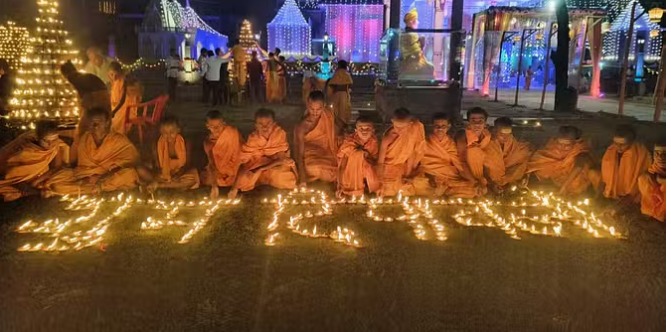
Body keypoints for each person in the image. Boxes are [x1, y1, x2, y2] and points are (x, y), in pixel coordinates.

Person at [43, 107, 139, 197]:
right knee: (56, 180)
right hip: (84, 174)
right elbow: (81, 167)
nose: (95, 126)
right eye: (92, 123)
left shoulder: (118, 139)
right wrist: (85, 178)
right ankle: (91, 189)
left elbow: (129, 163)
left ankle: (93, 188)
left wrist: (99, 177)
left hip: (107, 176)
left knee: (129, 174)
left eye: (99, 122)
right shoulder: (85, 138)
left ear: (107, 122)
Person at [228, 109, 297, 198]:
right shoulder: (253, 139)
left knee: (284, 179)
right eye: (260, 124)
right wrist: (234, 188)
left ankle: (264, 179)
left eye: (268, 123)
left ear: (274, 123)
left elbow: (281, 159)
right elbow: (244, 163)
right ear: (256, 125)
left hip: (274, 165)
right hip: (257, 164)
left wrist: (261, 168)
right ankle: (260, 180)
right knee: (244, 181)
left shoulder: (279, 134)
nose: (265, 127)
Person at [0, 120, 68, 201]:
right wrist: (38, 192)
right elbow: (16, 182)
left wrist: (37, 181)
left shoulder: (56, 144)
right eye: (46, 141)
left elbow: (57, 168)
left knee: (65, 177)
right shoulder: (25, 152)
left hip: (36, 178)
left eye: (54, 140)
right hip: (12, 181)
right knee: (11, 192)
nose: (51, 144)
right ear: (37, 138)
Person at [527, 126, 600, 196]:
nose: (562, 148)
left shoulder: (580, 150)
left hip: (578, 179)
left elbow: (579, 167)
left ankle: (598, 197)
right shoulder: (552, 149)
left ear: (575, 143)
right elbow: (539, 162)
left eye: (567, 145)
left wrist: (564, 187)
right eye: (560, 144)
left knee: (593, 173)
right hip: (561, 180)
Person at [60, 60, 111, 163]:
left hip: (95, 102)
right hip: (104, 101)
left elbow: (85, 100)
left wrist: (83, 112)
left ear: (66, 73)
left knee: (82, 131)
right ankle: (99, 157)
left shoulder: (74, 77)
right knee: (101, 129)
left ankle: (77, 159)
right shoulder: (83, 76)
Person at [136, 116, 199, 192]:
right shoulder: (156, 144)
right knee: (140, 169)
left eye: (172, 132)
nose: (168, 135)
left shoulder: (186, 143)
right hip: (163, 174)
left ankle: (159, 185)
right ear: (160, 132)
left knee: (193, 176)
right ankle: (173, 185)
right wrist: (160, 174)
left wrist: (178, 174)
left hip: (180, 174)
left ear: (178, 130)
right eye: (165, 133)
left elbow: (188, 164)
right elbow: (157, 165)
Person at [421, 113, 476, 198]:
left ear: (448, 127)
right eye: (437, 126)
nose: (440, 129)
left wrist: (473, 182)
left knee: (471, 188)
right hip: (430, 177)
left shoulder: (451, 143)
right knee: (418, 182)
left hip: (449, 178)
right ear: (432, 126)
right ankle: (445, 192)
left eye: (443, 126)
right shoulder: (425, 142)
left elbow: (459, 164)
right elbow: (420, 164)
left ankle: (443, 192)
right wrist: (431, 178)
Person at [377, 108, 429, 196]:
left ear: (410, 124)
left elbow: (411, 153)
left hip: (404, 166)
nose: (399, 130)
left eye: (403, 127)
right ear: (392, 121)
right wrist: (380, 180)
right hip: (389, 168)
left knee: (416, 185)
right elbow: (380, 162)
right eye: (396, 127)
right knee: (388, 191)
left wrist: (408, 175)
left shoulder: (412, 131)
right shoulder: (388, 136)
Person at [454, 108, 505, 195]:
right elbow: (461, 162)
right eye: (473, 120)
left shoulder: (487, 137)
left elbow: (484, 161)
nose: (477, 124)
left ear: (485, 123)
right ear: (468, 122)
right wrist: (475, 182)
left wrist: (490, 181)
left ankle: (486, 184)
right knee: (473, 151)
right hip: (464, 174)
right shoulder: (462, 136)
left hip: (482, 174)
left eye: (480, 121)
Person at [294, 91, 338, 187]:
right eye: (312, 109)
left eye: (318, 109)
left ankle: (331, 173)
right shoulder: (302, 126)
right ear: (307, 105)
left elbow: (334, 134)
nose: (315, 112)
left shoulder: (328, 115)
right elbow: (300, 154)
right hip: (312, 156)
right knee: (312, 168)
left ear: (324, 106)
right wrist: (302, 178)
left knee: (347, 159)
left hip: (327, 152)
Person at [601, 124, 651, 202]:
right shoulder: (611, 150)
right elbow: (605, 172)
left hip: (633, 191)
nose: (618, 147)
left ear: (631, 142)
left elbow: (641, 174)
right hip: (614, 188)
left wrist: (632, 193)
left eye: (622, 144)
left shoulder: (640, 152)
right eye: (616, 143)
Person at [201, 110, 242, 199]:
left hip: (236, 169)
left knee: (247, 177)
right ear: (207, 126)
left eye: (218, 126)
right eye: (212, 126)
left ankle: (235, 183)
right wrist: (214, 186)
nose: (215, 129)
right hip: (220, 171)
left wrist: (235, 187)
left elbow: (242, 157)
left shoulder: (232, 133)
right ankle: (226, 183)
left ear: (224, 124)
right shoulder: (208, 142)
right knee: (206, 178)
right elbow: (211, 163)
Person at [336, 116, 380, 197]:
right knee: (358, 154)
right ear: (356, 131)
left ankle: (371, 189)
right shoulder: (349, 141)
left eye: (368, 129)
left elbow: (375, 159)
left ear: (373, 130)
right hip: (350, 170)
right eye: (361, 129)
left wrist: (367, 158)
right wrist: (340, 184)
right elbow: (342, 162)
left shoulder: (373, 142)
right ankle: (353, 189)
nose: (364, 131)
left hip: (367, 170)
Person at [492, 117, 532, 187]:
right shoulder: (488, 142)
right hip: (494, 173)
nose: (505, 138)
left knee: (522, 163)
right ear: (495, 131)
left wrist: (526, 174)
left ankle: (506, 182)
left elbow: (522, 158)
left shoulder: (514, 143)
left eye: (508, 134)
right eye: (502, 135)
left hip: (508, 172)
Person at [109, 61, 143, 134]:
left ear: (119, 72)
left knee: (115, 121)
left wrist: (114, 112)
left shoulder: (124, 81)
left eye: (116, 74)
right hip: (116, 105)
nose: (114, 77)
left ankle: (118, 136)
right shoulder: (115, 82)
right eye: (112, 74)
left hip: (125, 107)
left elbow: (122, 100)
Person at [400, 9, 433, 77]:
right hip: (412, 67)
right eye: (416, 20)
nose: (418, 22)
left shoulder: (407, 34)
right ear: (411, 21)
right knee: (430, 68)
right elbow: (416, 54)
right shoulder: (411, 36)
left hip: (411, 65)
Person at [638, 140, 665, 222]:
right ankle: (653, 213)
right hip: (653, 214)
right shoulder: (650, 173)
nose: (660, 157)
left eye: (665, 154)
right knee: (644, 178)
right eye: (657, 153)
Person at [328, 60, 354, 134]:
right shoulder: (346, 74)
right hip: (344, 95)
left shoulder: (337, 73)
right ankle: (342, 126)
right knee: (343, 110)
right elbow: (350, 84)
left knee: (337, 111)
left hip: (337, 94)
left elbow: (331, 84)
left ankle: (338, 126)